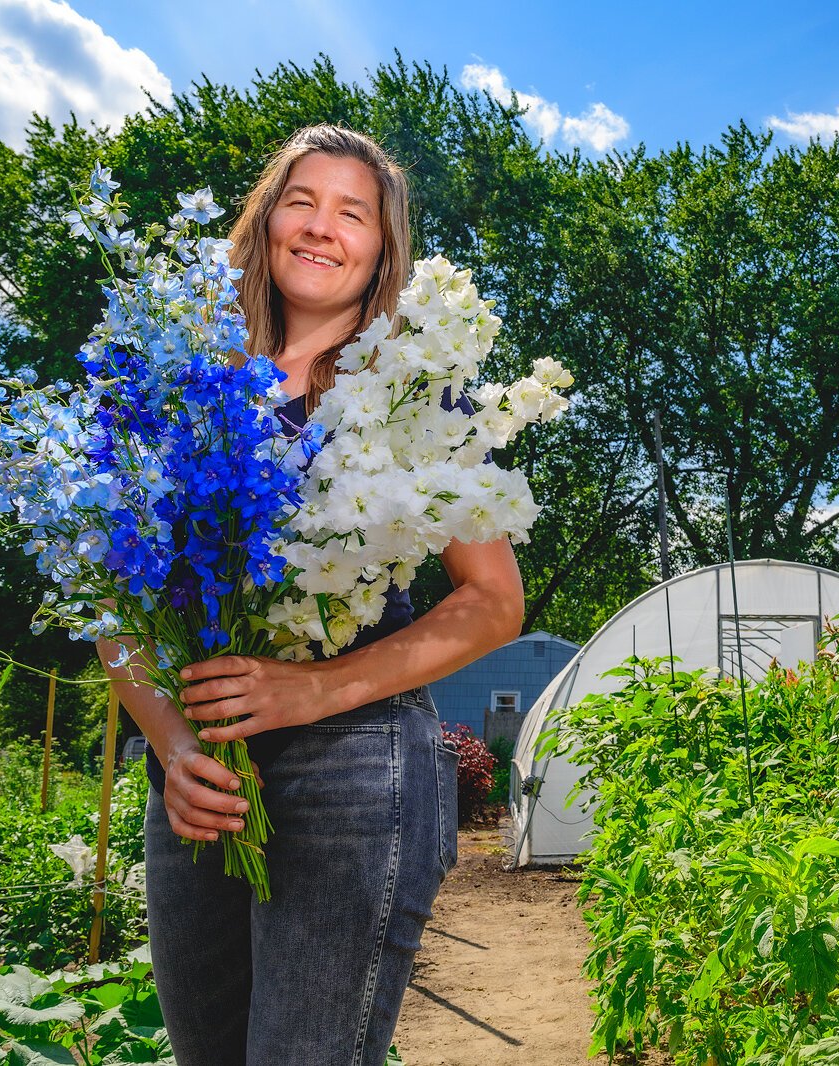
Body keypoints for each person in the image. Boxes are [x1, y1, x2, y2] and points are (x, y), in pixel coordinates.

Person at [97, 124, 524, 1066]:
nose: (322, 227)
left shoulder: (413, 391)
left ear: (381, 250)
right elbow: (117, 606)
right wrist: (172, 747)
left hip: (355, 765)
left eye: (352, 213)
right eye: (301, 201)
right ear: (265, 223)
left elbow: (494, 601)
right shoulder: (177, 383)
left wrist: (313, 689)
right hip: (201, 779)